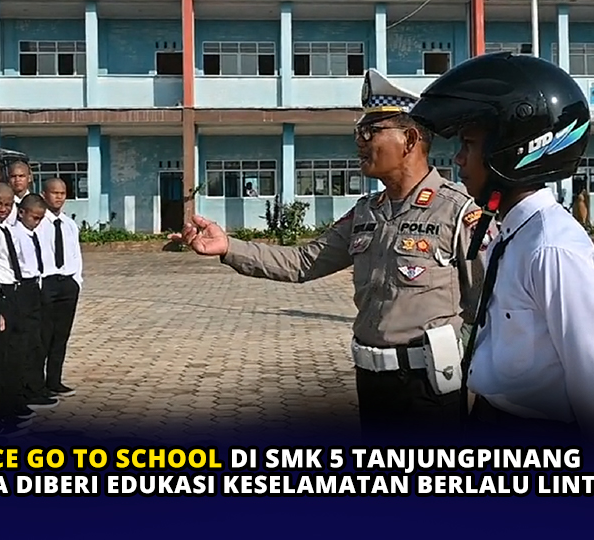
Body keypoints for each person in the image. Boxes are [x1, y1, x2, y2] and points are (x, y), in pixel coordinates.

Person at [170, 69, 495, 441]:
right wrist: (229, 247)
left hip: (430, 388)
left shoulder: (458, 213)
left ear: (409, 140)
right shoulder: (365, 212)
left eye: (370, 132)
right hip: (371, 382)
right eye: (359, 131)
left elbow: (486, 306)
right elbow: (303, 262)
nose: (359, 141)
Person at [408, 52, 594, 447]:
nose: (458, 159)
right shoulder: (513, 232)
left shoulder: (551, 248)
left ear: (512, 150)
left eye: (470, 144)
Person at [9, 193, 58, 410]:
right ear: (22, 213)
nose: (37, 222)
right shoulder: (15, 234)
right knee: (27, 342)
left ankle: (37, 386)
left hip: (37, 285)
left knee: (38, 341)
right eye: (34, 218)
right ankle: (28, 388)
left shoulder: (31, 234)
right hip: (24, 287)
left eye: (40, 218)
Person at [38, 177, 82, 398]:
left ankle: (55, 380)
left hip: (67, 283)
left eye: (62, 193)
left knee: (60, 336)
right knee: (43, 335)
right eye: (54, 193)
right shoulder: (37, 222)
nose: (58, 197)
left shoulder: (69, 224)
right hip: (46, 283)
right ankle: (38, 384)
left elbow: (76, 255)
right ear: (44, 194)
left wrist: (76, 281)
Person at [3, 161, 32, 227]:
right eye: (13, 176)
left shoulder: (37, 202)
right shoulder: (3, 204)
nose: (17, 179)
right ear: (8, 179)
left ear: (29, 178)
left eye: (21, 176)